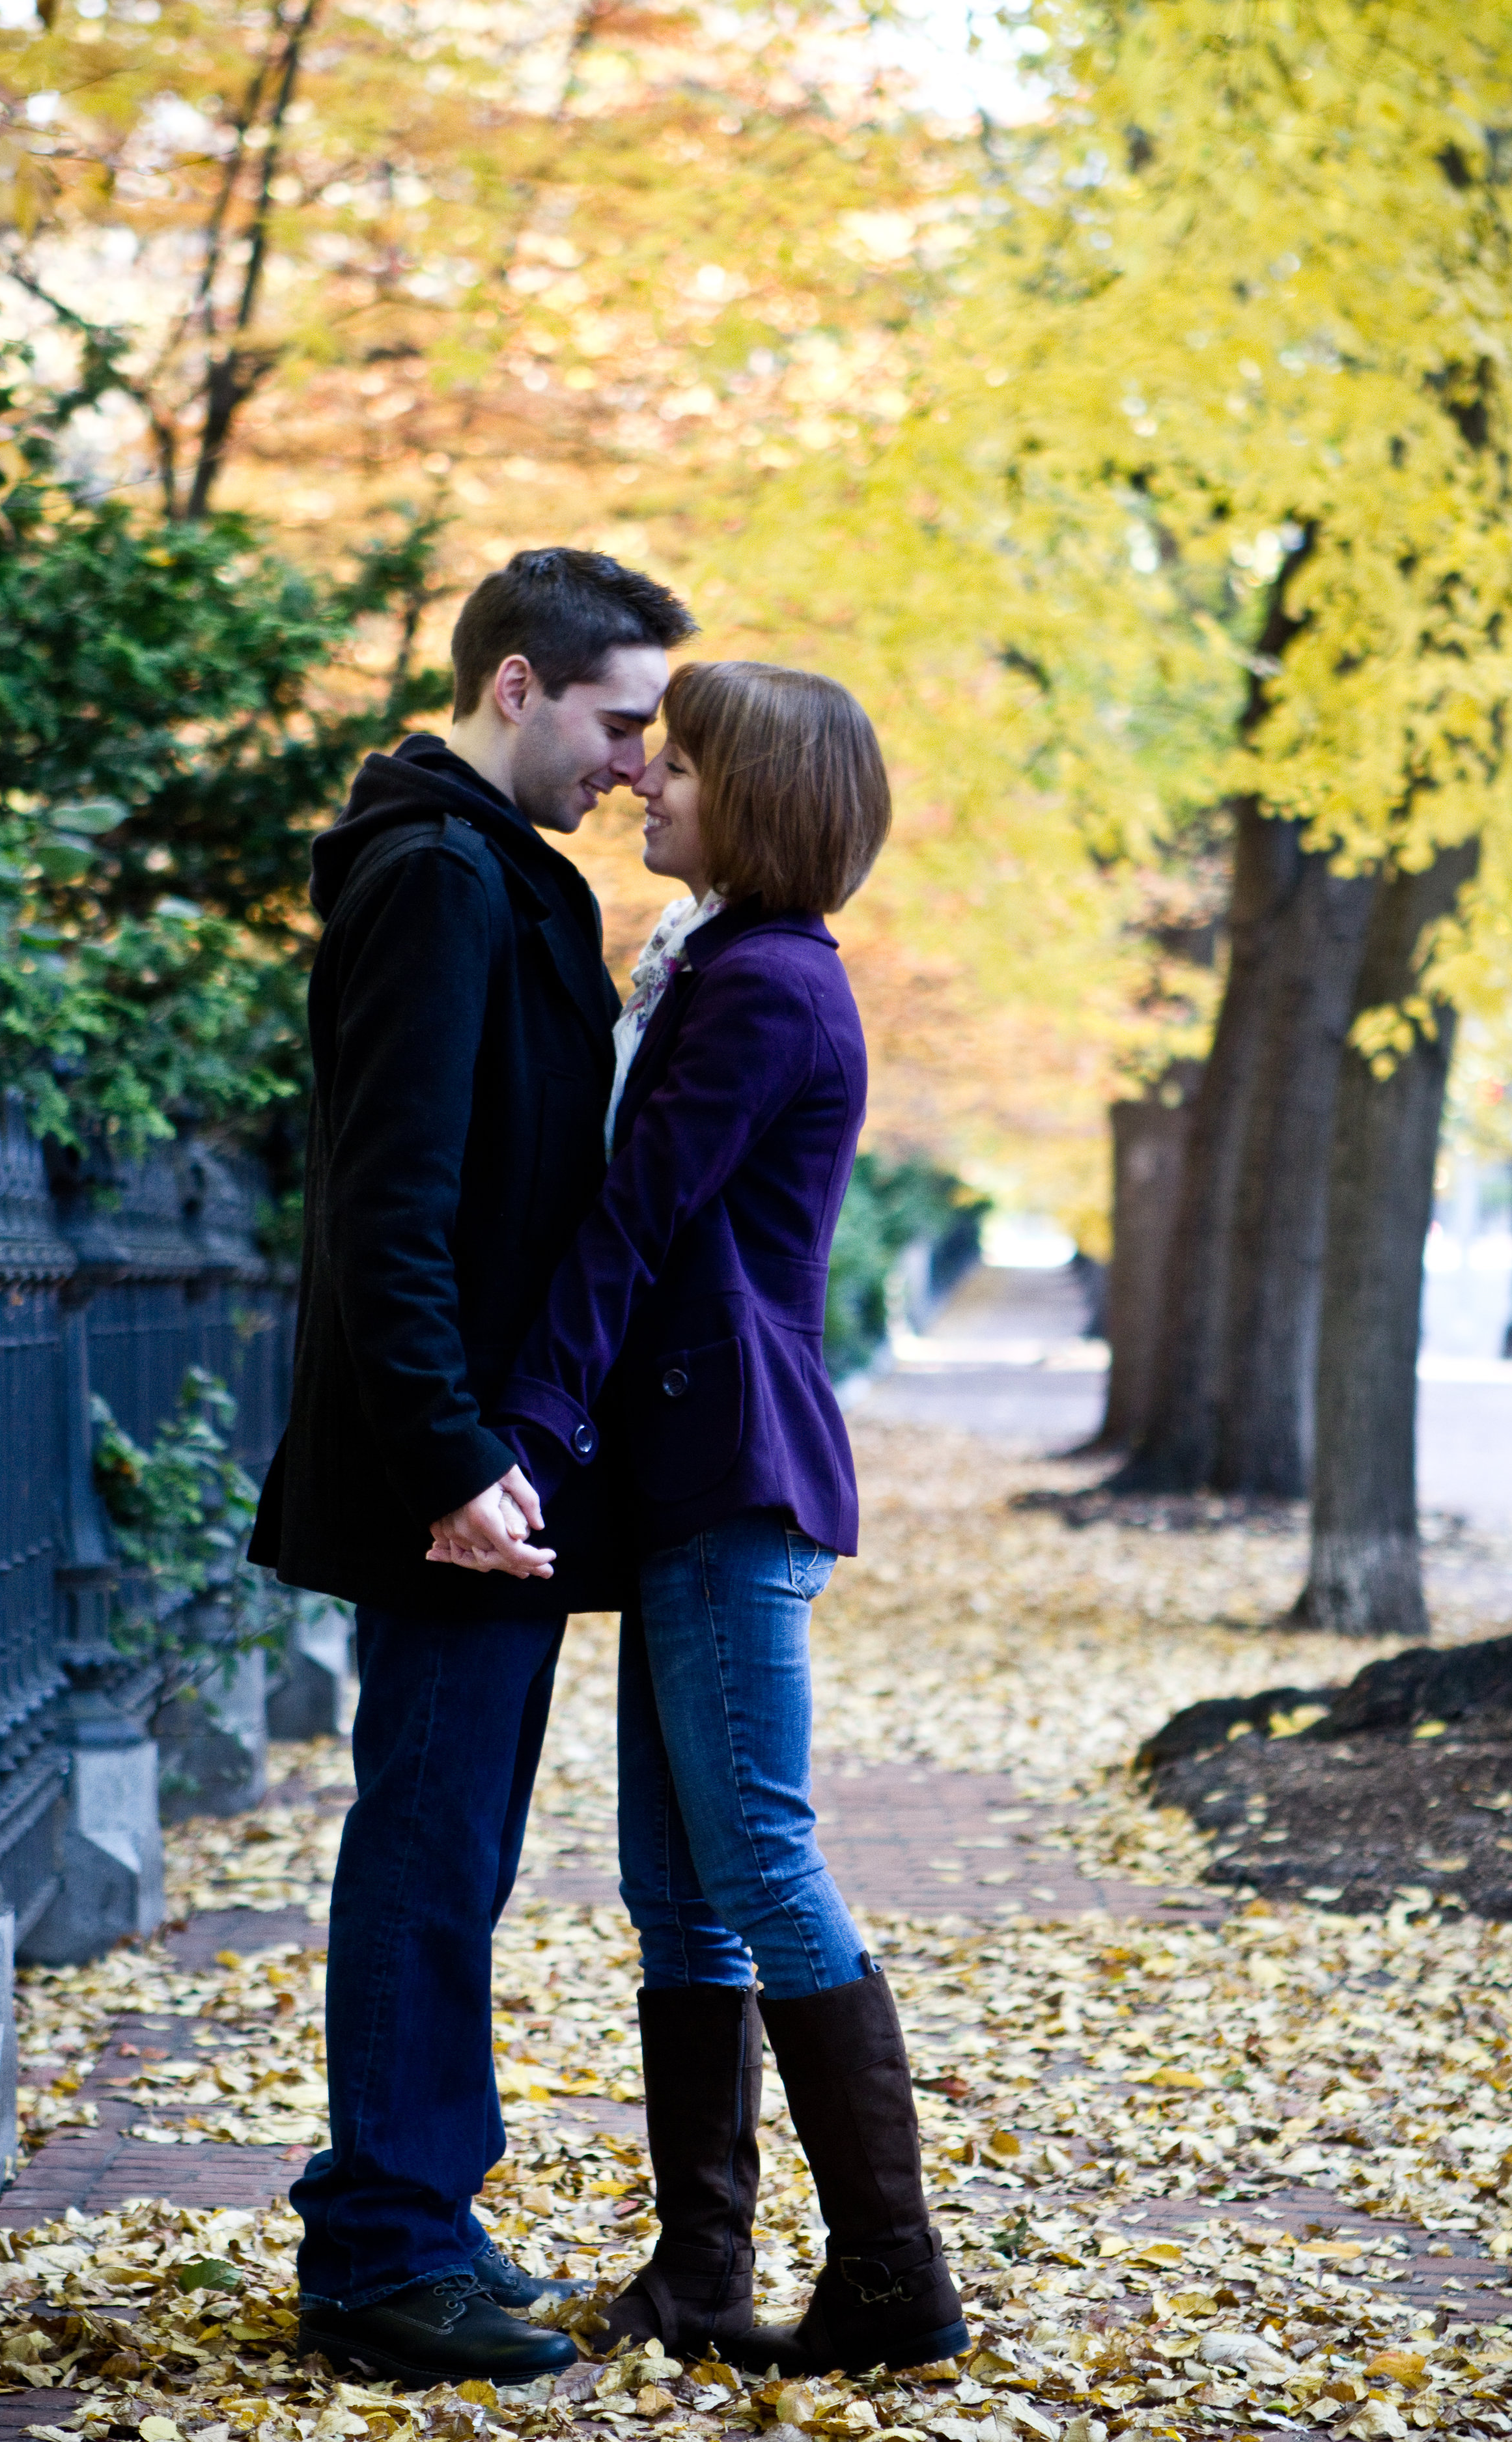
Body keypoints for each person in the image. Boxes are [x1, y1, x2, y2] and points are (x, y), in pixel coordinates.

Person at [430, 661, 970, 2379]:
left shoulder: (755, 988)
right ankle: (700, 2273)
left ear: (765, 797)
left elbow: (635, 1230)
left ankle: (892, 2275)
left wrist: (517, 1429)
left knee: (753, 1857)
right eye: (647, 761)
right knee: (686, 1895)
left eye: (681, 771)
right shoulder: (719, 967)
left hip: (728, 1475)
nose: (647, 787)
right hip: (685, 1476)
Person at [247, 548, 697, 2389]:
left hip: (485, 1472)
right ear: (515, 685)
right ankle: (382, 2259)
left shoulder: (488, 873)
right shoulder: (439, 878)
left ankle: (408, 2204)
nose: (630, 763)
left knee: (452, 1848)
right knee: (430, 1853)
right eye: (613, 720)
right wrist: (450, 1455)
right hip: (452, 1481)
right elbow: (389, 1202)